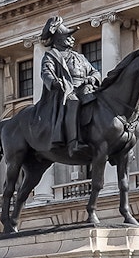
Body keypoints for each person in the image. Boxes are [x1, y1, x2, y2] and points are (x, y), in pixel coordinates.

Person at [38, 16, 101, 156]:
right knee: (73, 102)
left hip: (86, 87)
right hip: (67, 90)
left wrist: (92, 78)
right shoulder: (51, 56)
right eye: (68, 36)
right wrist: (54, 82)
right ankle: (73, 143)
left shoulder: (80, 57)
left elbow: (95, 72)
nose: (72, 38)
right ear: (59, 39)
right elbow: (46, 72)